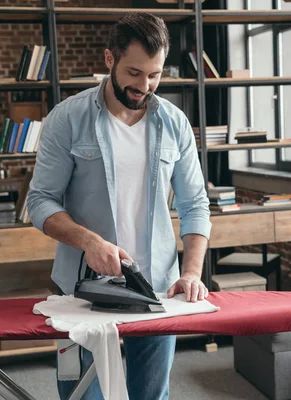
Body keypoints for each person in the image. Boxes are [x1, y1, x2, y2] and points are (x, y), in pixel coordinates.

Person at [26, 13, 211, 400]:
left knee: (151, 396)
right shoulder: (68, 118)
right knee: (81, 397)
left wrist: (192, 272)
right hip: (81, 294)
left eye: (155, 75)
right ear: (109, 60)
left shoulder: (175, 123)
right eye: (135, 72)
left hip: (158, 291)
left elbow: (195, 204)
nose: (144, 86)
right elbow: (40, 200)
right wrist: (90, 241)